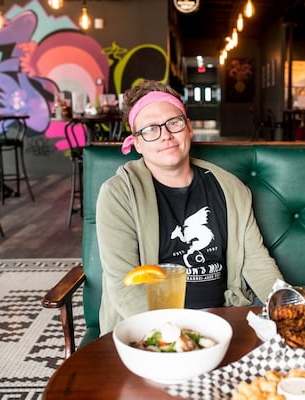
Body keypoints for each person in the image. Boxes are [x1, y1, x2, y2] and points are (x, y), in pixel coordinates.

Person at [96, 80, 284, 333]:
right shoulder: (118, 195)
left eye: (173, 122)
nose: (165, 135)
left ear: (189, 128)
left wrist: (289, 306)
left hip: (222, 321)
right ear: (137, 143)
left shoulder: (230, 188)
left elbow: (257, 262)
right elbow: (124, 285)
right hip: (148, 329)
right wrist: (177, 338)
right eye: (150, 129)